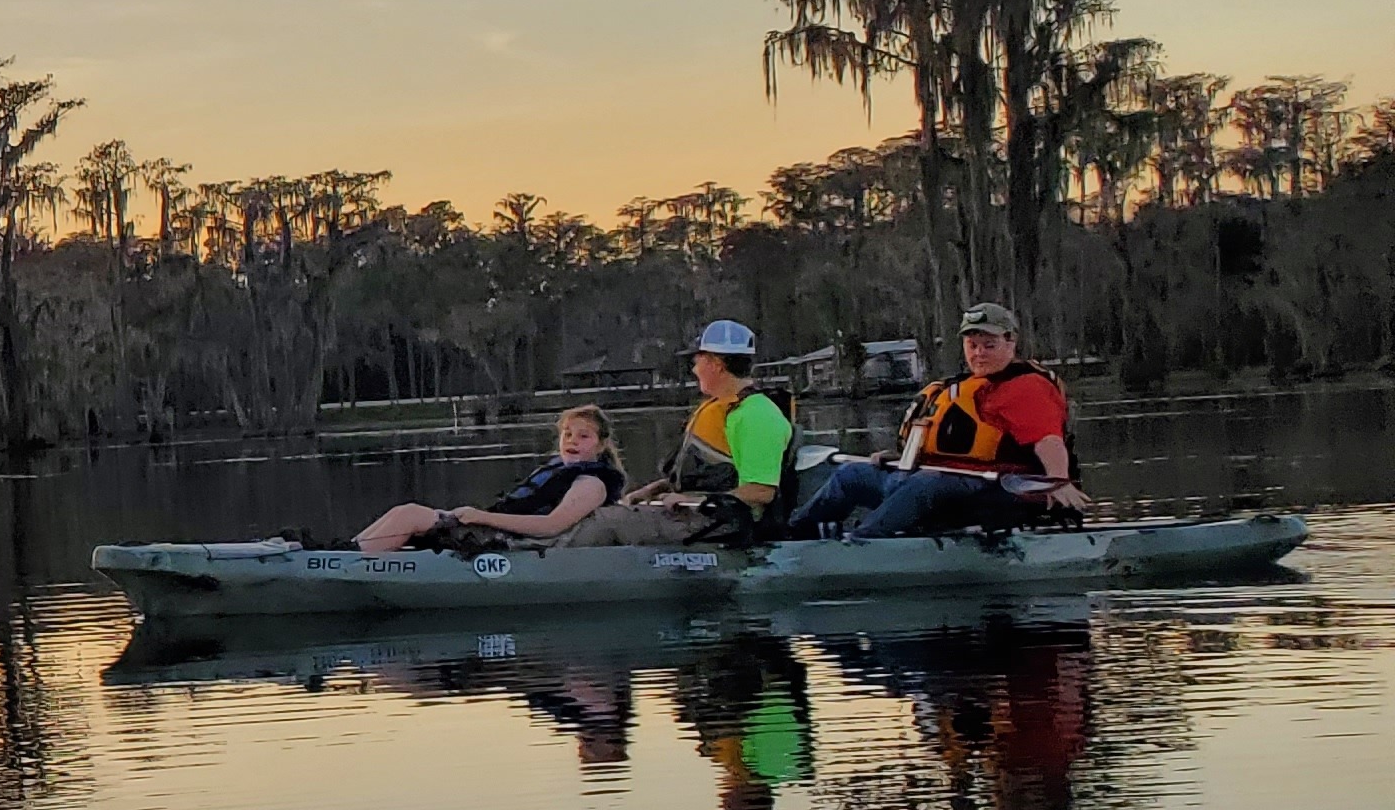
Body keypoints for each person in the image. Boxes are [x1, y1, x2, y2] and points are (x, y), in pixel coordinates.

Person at [786, 303, 1097, 540]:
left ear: (1010, 342)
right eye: (972, 346)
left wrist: (1059, 480)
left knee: (924, 484)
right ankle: (791, 537)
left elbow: (1047, 440)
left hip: (995, 490)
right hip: (940, 480)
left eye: (989, 346)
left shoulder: (1025, 387)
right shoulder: (963, 385)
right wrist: (903, 457)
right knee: (851, 474)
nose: (979, 354)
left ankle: (861, 544)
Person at [558, 320, 797, 548]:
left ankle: (544, 564)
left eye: (698, 360)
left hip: (724, 523)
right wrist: (652, 490)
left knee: (604, 522)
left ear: (716, 363)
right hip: (698, 514)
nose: (694, 369)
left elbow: (761, 492)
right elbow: (708, 473)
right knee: (604, 513)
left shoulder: (756, 415)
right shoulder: (723, 407)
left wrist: (695, 502)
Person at [354, 405, 624, 553]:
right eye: (567, 434)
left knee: (410, 516)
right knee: (404, 512)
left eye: (583, 436)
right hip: (496, 530)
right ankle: (344, 554)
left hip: (510, 541)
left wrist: (481, 517)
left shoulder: (591, 482)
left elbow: (551, 526)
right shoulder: (564, 471)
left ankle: (346, 564)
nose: (572, 442)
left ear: (600, 445)